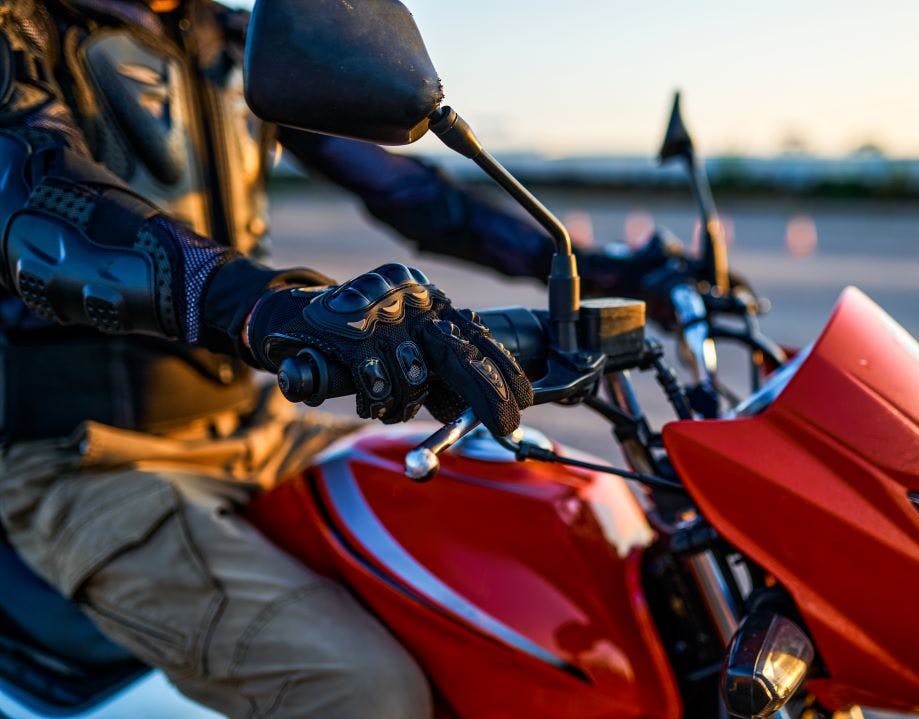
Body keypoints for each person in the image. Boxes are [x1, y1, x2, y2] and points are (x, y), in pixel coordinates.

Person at [0, 1, 706, 717]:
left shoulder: (233, 37)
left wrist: (609, 268)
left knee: (554, 535)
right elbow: (37, 196)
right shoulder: (21, 26)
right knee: (363, 691)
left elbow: (410, 192)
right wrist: (274, 309)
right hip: (88, 461)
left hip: (262, 431)